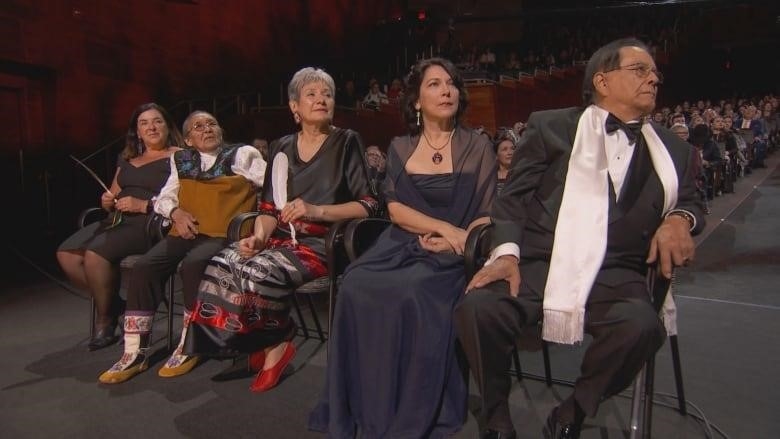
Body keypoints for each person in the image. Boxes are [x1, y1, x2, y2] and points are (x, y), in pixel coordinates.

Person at [453, 38, 705, 439]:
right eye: (640, 70)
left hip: (617, 272)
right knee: (478, 308)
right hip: (540, 263)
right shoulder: (550, 126)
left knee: (642, 327)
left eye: (655, 72)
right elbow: (512, 197)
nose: (654, 78)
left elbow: (691, 199)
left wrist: (679, 218)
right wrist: (505, 252)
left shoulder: (673, 149)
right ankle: (495, 412)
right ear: (602, 81)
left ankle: (574, 410)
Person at [309, 57, 497, 438]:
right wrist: (444, 226)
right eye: (434, 84)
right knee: (356, 284)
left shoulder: (477, 145)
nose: (446, 90)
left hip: (453, 250)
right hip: (402, 241)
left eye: (451, 84)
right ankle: (364, 400)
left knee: (413, 291)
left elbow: (486, 212)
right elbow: (395, 210)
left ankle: (407, 404)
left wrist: (457, 241)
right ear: (415, 101)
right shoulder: (400, 146)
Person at [184, 67, 379, 392]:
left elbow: (370, 204)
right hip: (280, 240)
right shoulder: (281, 146)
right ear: (294, 107)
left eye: (327, 94)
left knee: (258, 273)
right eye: (312, 94)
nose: (321, 99)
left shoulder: (347, 141)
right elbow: (269, 208)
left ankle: (277, 344)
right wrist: (259, 237)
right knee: (224, 263)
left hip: (324, 243)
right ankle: (254, 346)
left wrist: (316, 210)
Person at [98, 111, 267, 384]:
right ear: (188, 139)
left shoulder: (241, 154)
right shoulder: (182, 159)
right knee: (144, 267)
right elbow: (165, 196)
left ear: (220, 131)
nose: (206, 129)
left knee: (194, 264)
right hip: (185, 230)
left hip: (222, 233)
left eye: (212, 123)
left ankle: (192, 344)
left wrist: (263, 224)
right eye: (198, 127)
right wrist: (175, 212)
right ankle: (134, 352)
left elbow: (272, 186)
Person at [57, 102, 183, 351]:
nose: (151, 127)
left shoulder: (180, 156)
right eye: (144, 123)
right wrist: (106, 201)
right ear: (137, 131)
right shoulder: (127, 158)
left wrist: (143, 204)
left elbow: (184, 198)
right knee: (66, 255)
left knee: (94, 255)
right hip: (116, 219)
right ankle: (115, 305)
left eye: (157, 121)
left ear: (168, 126)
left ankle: (105, 321)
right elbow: (112, 195)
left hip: (149, 222)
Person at [495, 130, 516, 194]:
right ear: (496, 155)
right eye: (505, 149)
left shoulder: (521, 174)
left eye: (512, 148)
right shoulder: (491, 178)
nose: (510, 153)